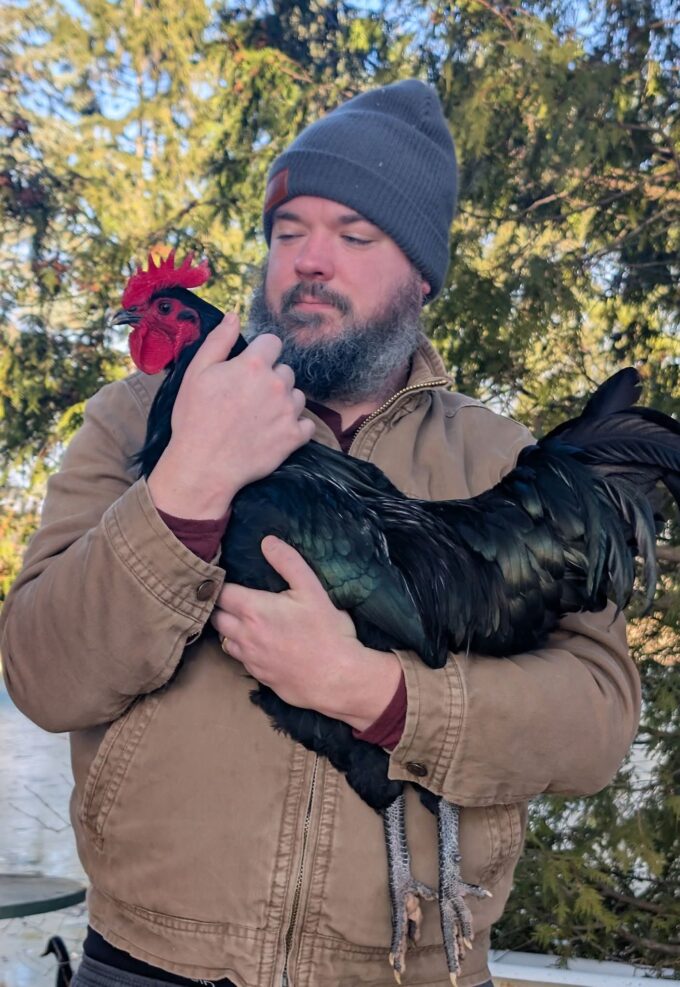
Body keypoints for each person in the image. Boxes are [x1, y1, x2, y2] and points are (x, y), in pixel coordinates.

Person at [0, 80, 640, 987]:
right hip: (148, 961)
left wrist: (381, 694)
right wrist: (186, 483)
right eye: (288, 231)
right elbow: (40, 673)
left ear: (421, 272)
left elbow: (598, 718)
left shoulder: (501, 458)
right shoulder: (130, 419)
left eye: (354, 234)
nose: (309, 259)